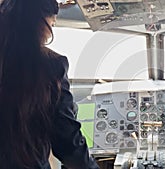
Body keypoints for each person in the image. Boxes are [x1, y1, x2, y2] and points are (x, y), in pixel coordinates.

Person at [0, 0, 100, 168]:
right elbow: (67, 144)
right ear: (39, 23)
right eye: (52, 24)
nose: (49, 33)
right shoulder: (50, 66)